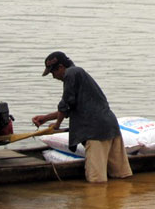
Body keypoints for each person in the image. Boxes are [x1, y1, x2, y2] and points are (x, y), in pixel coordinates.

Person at [32, 51, 132, 183]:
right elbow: (73, 107)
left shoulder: (71, 74)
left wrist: (56, 125)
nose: (53, 77)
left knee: (97, 181)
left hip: (95, 132)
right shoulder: (79, 74)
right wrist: (46, 118)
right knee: (121, 175)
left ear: (61, 67)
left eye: (53, 72)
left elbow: (66, 104)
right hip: (110, 127)